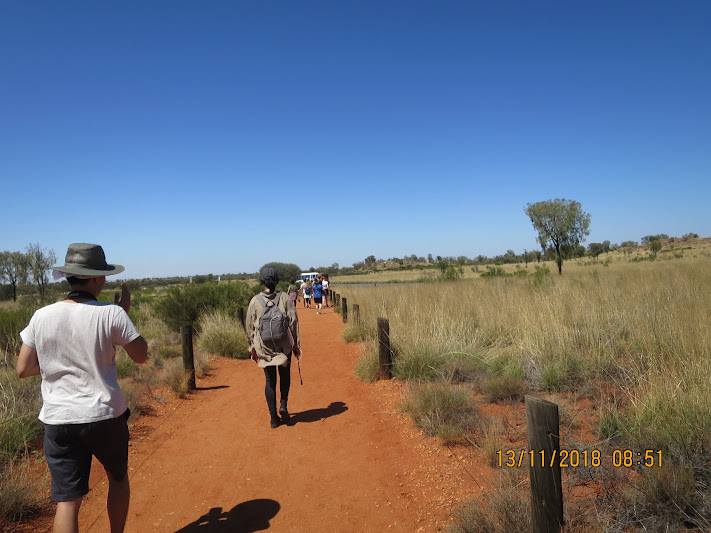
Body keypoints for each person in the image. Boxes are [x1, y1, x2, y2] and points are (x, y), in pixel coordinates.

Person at [16, 243, 148, 533]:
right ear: (98, 278)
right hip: (105, 415)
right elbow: (141, 355)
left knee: (68, 501)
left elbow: (23, 368)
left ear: (70, 277)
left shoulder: (41, 315)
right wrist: (122, 315)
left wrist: (56, 363)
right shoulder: (111, 313)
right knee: (117, 479)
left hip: (58, 419)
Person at [246, 267, 301, 428]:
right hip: (284, 345)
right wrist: (296, 344)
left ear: (262, 282)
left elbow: (249, 326)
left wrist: (252, 347)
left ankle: (273, 418)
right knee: (285, 376)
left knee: (270, 381)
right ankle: (283, 405)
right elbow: (294, 322)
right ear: (277, 281)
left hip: (264, 347)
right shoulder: (284, 298)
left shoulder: (255, 300)